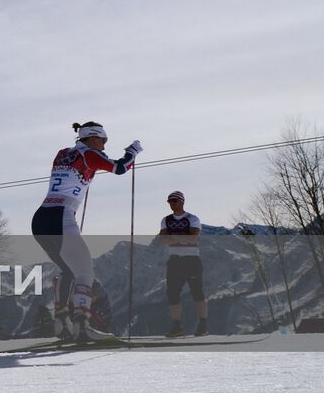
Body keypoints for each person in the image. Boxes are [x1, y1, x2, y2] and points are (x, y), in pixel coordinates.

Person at [31, 121, 141, 343]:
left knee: (68, 270)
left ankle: (62, 323)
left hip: (41, 218)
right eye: (102, 140)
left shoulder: (63, 153)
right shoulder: (89, 154)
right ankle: (82, 326)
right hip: (61, 216)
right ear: (92, 137)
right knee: (85, 272)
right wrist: (133, 151)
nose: (103, 145)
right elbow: (119, 167)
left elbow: (83, 167)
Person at [158, 190, 207, 337]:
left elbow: (193, 239)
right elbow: (162, 241)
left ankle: (203, 326)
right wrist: (182, 237)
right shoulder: (165, 220)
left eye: (174, 201)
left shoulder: (192, 218)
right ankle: (177, 327)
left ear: (182, 201)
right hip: (174, 260)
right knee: (172, 294)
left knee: (197, 293)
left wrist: (172, 237)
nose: (172, 204)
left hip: (191, 259)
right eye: (170, 201)